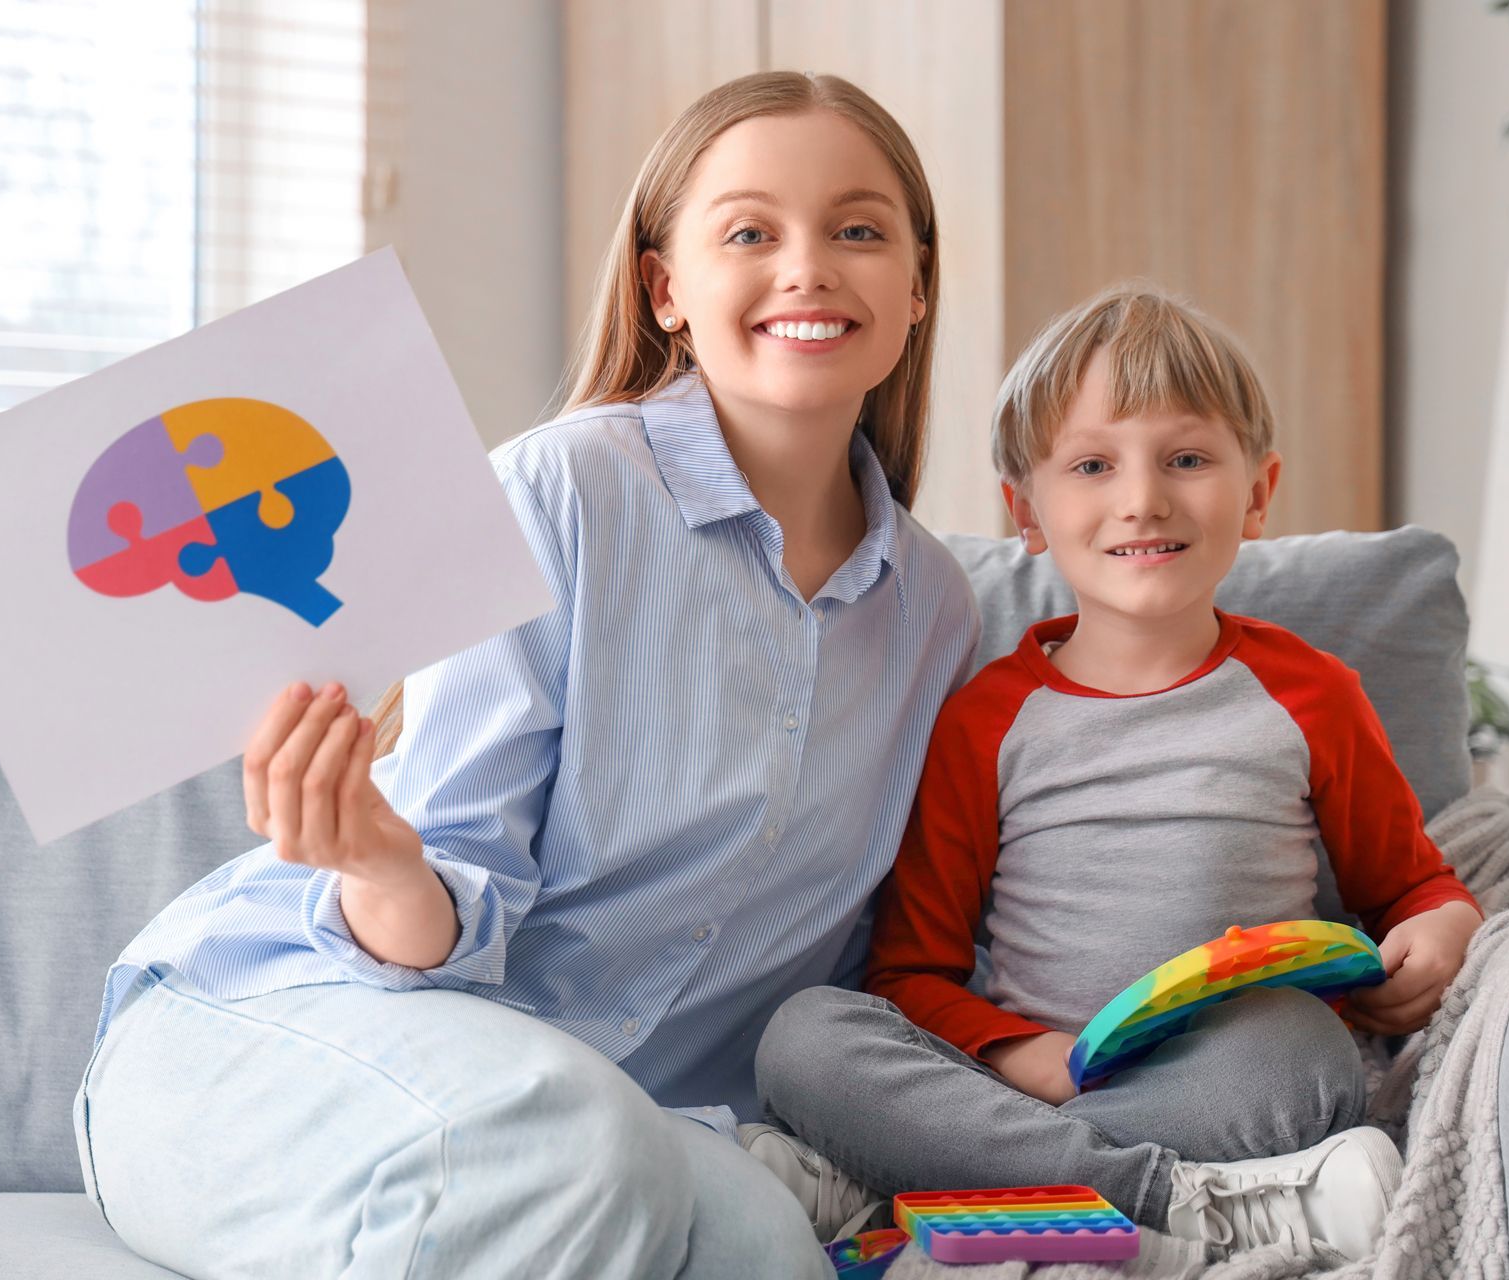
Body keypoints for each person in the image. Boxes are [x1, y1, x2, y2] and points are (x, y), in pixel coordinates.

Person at [72, 71, 980, 1280]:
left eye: (858, 230)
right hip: (268, 1035)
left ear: (917, 285)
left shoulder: (933, 611)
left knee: (770, 1247)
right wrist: (379, 859)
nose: (807, 267)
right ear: (665, 289)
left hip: (612, 1116)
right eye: (749, 233)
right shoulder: (561, 492)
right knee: (583, 1145)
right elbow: (433, 911)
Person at [753, 285, 1485, 1268]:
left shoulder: (1312, 694)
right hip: (1021, 1081)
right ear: (1027, 511)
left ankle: (912, 1195)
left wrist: (1444, 927)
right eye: (1093, 465)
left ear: (1258, 493)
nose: (1143, 499)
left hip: (1223, 1074)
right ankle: (1181, 1204)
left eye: (1187, 459)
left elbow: (1412, 885)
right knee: (804, 1034)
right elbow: (912, 973)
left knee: (1304, 1048)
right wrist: (1026, 1057)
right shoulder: (984, 720)